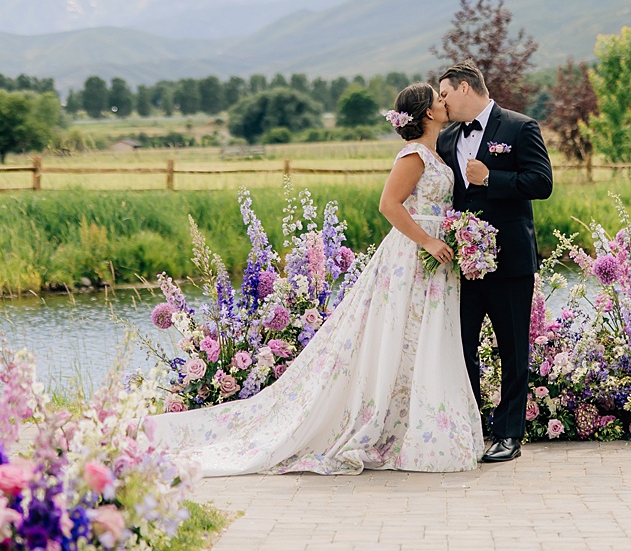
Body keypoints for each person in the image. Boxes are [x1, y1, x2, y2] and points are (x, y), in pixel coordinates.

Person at [153, 82, 483, 475]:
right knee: (400, 333)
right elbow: (388, 205)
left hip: (435, 262)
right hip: (412, 256)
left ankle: (415, 423)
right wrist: (428, 240)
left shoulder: (436, 152)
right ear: (428, 112)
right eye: (438, 98)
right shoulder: (413, 156)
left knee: (420, 340)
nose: (444, 103)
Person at [435, 61, 554, 463]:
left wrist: (492, 179)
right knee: (461, 348)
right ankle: (471, 428)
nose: (443, 102)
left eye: (446, 94)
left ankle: (508, 435)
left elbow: (542, 183)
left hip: (511, 262)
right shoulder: (448, 137)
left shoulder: (521, 127)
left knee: (513, 351)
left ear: (465, 89)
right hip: (462, 267)